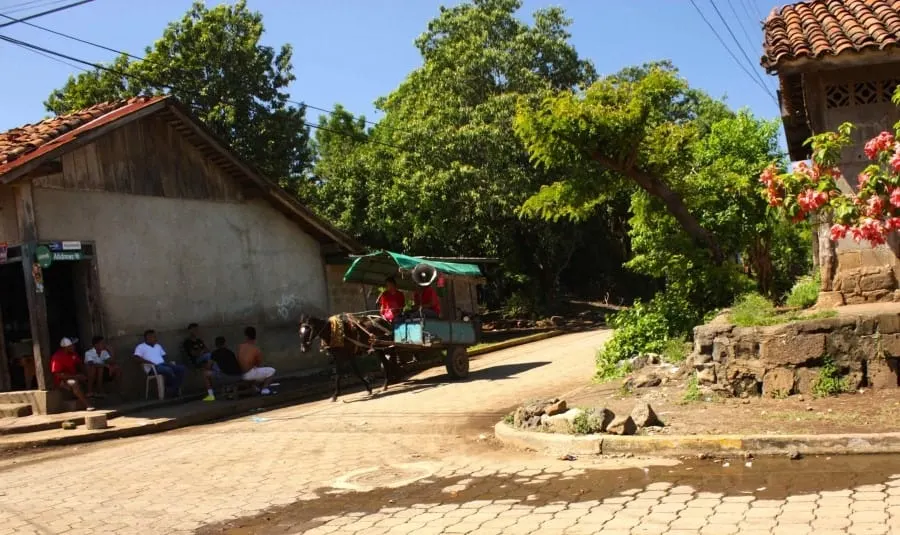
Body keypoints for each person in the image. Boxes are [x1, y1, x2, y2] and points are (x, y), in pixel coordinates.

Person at [134, 330, 186, 395]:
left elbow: (164, 356)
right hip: (152, 368)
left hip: (163, 364)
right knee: (168, 370)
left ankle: (172, 388)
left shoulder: (158, 346)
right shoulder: (141, 346)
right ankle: (172, 389)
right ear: (148, 337)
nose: (156, 338)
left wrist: (169, 363)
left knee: (181, 368)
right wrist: (148, 362)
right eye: (154, 336)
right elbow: (136, 358)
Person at [50, 338, 94, 411]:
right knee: (73, 383)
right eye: (72, 345)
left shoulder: (73, 354)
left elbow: (80, 364)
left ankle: (90, 393)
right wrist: (76, 376)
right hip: (61, 380)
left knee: (89, 372)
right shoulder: (57, 357)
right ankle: (87, 404)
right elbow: (58, 375)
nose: (74, 347)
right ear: (66, 347)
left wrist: (86, 373)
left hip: (73, 375)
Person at [182, 323, 218, 401]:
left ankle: (211, 394)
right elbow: (193, 354)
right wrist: (201, 352)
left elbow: (207, 349)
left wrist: (202, 351)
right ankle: (216, 370)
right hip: (196, 361)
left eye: (197, 329)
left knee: (209, 362)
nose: (196, 331)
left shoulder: (199, 341)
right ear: (190, 331)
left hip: (205, 360)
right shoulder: (188, 342)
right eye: (194, 330)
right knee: (209, 356)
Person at [238, 326, 276, 395]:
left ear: (246, 336)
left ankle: (254, 387)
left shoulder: (241, 346)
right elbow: (258, 363)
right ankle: (264, 389)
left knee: (256, 371)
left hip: (241, 373)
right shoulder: (256, 349)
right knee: (272, 370)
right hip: (249, 374)